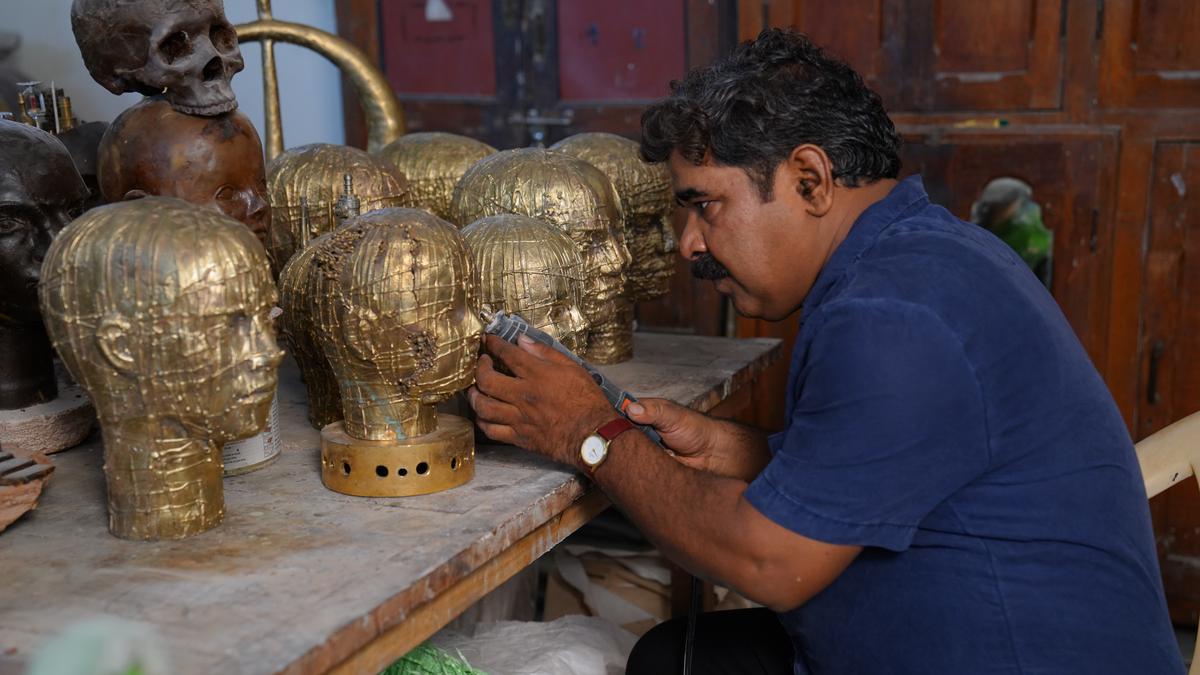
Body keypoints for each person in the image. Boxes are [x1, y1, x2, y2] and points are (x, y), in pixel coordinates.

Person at [467, 28, 1183, 674]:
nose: (688, 243)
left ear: (809, 180)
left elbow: (767, 559)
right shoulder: (920, 258)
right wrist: (737, 450)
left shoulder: (891, 315)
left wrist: (590, 431)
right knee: (669, 658)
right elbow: (886, 468)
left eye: (704, 205)